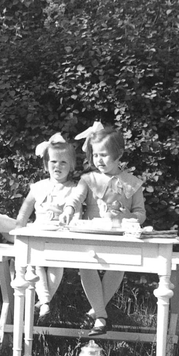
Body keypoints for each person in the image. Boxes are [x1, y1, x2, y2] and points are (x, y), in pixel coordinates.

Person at [60, 123, 146, 337]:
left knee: (118, 266)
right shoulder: (88, 179)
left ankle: (97, 312)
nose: (98, 160)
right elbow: (75, 199)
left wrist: (130, 218)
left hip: (118, 236)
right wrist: (69, 210)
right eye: (95, 155)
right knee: (86, 266)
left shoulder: (132, 183)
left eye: (104, 155)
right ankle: (100, 315)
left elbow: (140, 212)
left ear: (119, 154)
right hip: (92, 234)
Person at [14, 133, 80, 324]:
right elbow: (25, 209)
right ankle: (45, 303)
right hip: (38, 232)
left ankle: (44, 301)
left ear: (72, 166)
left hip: (61, 235)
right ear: (45, 165)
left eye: (63, 163)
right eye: (53, 162)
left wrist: (73, 227)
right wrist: (19, 227)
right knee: (36, 263)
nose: (57, 166)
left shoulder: (74, 189)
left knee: (56, 265)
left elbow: (77, 214)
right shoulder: (39, 187)